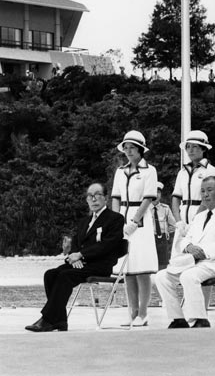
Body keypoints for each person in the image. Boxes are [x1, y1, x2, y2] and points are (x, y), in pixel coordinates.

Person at [25, 183, 125, 332]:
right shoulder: (84, 221)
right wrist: (75, 257)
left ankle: (47, 319)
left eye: (97, 194)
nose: (93, 199)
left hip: (100, 265)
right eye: (90, 196)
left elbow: (107, 245)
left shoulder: (115, 218)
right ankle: (60, 321)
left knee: (65, 276)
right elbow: (76, 244)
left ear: (105, 198)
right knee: (51, 274)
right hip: (81, 263)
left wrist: (82, 255)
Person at [155, 176, 215, 328]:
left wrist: (203, 252)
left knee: (189, 276)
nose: (205, 194)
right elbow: (185, 238)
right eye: (202, 191)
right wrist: (188, 247)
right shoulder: (199, 217)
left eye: (209, 190)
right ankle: (178, 319)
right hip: (194, 262)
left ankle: (200, 320)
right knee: (162, 277)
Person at [170, 131, 215, 307]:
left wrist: (195, 221)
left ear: (204, 148)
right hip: (183, 215)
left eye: (195, 146)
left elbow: (208, 197)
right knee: (180, 260)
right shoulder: (183, 171)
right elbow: (175, 197)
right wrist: (178, 221)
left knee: (201, 260)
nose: (190, 150)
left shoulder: (210, 170)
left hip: (201, 215)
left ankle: (202, 307)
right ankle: (186, 304)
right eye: (188, 146)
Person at [111, 130, 158, 327]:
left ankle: (144, 313)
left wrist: (135, 221)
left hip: (142, 221)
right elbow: (115, 197)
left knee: (142, 268)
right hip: (123, 218)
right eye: (126, 148)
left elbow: (148, 197)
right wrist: (116, 221)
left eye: (132, 148)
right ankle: (133, 312)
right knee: (128, 270)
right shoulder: (120, 171)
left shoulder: (150, 171)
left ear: (140, 150)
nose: (129, 151)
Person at [151, 181, 176, 270]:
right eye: (154, 192)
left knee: (163, 265)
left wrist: (166, 233)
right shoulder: (144, 209)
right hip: (149, 239)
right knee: (149, 264)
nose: (156, 195)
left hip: (162, 240)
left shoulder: (165, 208)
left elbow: (173, 225)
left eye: (158, 192)